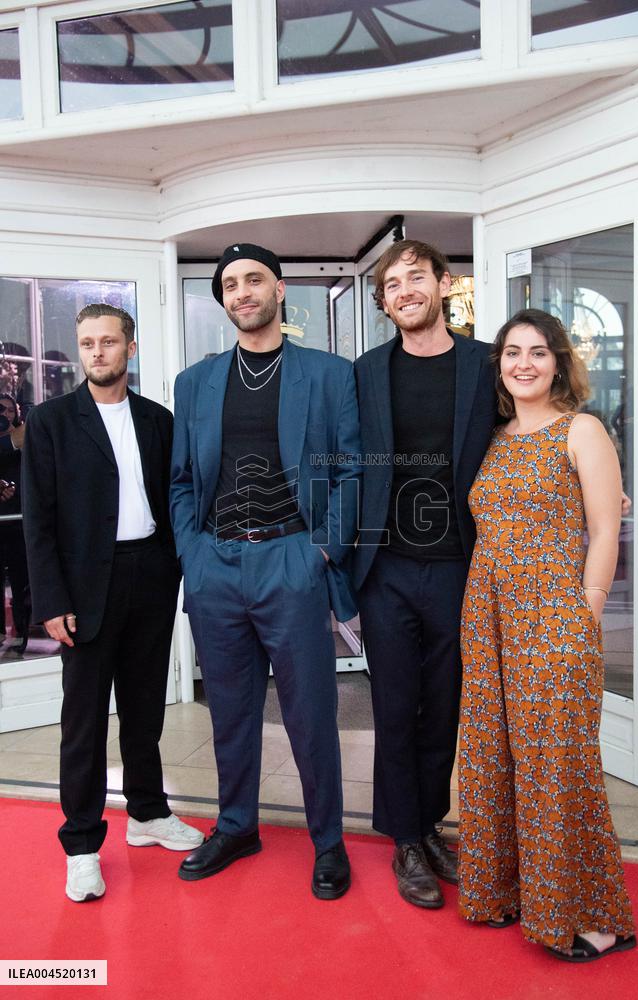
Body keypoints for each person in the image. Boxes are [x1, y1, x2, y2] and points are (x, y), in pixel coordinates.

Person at [171, 243, 360, 898]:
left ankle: (329, 842)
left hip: (291, 559)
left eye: (254, 280)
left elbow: (351, 473)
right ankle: (236, 824)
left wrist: (321, 552)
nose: (242, 292)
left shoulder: (330, 376)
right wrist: (193, 555)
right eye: (230, 284)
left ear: (280, 290)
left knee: (310, 712)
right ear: (223, 299)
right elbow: (182, 481)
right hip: (217, 564)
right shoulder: (194, 383)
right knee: (229, 709)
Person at [457, 308, 635, 962]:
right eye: (512, 353)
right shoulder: (496, 437)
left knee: (557, 766)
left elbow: (606, 528)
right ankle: (508, 891)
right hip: (489, 621)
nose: (524, 363)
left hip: (553, 619)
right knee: (493, 760)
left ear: (559, 360)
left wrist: (586, 609)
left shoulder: (581, 430)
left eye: (537, 351)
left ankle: (593, 915)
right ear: (499, 366)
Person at [22, 303, 203, 903]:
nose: (96, 352)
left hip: (150, 577)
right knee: (83, 724)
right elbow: (38, 522)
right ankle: (81, 845)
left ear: (129, 347)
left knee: (145, 711)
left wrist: (179, 568)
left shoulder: (158, 420)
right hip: (84, 592)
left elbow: (177, 498)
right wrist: (51, 599)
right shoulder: (51, 422)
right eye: (86, 343)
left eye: (107, 342)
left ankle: (149, 814)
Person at [353, 240, 498, 908]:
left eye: (416, 277)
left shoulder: (486, 364)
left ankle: (431, 825)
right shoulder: (364, 372)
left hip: (459, 566)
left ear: (444, 284)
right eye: (392, 283)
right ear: (383, 301)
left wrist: (592, 478)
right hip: (386, 565)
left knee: (443, 709)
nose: (404, 289)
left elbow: (532, 428)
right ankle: (405, 838)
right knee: (394, 708)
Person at [0, 394, 29, 653]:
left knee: (21, 579)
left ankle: (22, 632)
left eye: (10, 410)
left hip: (20, 522)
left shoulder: (24, 437)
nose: (6, 415)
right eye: (1, 410)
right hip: (2, 521)